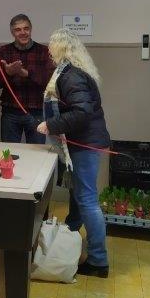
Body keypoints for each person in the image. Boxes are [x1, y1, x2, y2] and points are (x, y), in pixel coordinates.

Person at [36, 28, 111, 277]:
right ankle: (73, 237)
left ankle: (99, 261)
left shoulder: (71, 76)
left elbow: (82, 112)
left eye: (51, 46)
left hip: (84, 145)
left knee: (87, 200)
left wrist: (51, 125)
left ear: (60, 48)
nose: (49, 51)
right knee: (81, 197)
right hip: (82, 143)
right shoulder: (71, 72)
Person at [0, 14, 53, 144]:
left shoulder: (44, 51)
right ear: (12, 32)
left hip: (36, 111)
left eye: (26, 28)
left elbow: (50, 82)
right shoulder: (4, 51)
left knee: (36, 152)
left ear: (31, 29)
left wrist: (26, 73)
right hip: (10, 112)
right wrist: (8, 73)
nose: (23, 32)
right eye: (18, 29)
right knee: (9, 151)